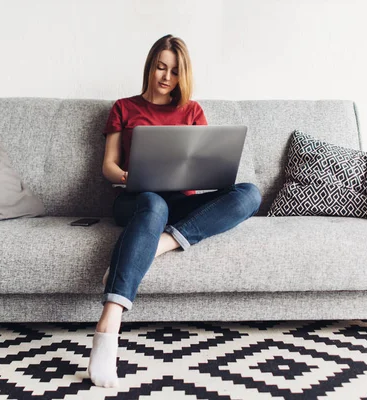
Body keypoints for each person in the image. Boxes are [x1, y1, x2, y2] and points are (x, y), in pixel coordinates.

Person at [87, 34, 262, 388]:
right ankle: (109, 325)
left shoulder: (192, 111)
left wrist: (208, 174)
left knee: (250, 193)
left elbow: (208, 165)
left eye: (175, 71)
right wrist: (126, 174)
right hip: (138, 199)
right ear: (150, 67)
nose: (166, 77)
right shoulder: (124, 106)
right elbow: (107, 165)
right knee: (154, 203)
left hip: (180, 202)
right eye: (161, 67)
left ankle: (159, 244)